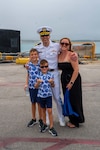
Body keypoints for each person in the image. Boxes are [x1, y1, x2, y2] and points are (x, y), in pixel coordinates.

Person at [34, 26, 65, 126]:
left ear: (49, 35)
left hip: (54, 73)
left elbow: (65, 51)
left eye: (46, 35)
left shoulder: (56, 46)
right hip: (43, 74)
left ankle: (61, 117)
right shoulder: (38, 48)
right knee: (45, 96)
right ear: (40, 37)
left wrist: (73, 55)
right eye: (42, 36)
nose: (45, 38)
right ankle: (47, 117)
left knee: (56, 97)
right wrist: (26, 64)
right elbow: (33, 58)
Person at [58, 37, 85, 128]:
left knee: (74, 99)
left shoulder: (72, 55)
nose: (64, 45)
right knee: (67, 99)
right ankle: (71, 118)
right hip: (64, 78)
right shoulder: (59, 55)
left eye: (66, 44)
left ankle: (76, 120)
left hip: (73, 79)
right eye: (62, 43)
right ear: (60, 44)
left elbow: (76, 69)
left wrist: (71, 82)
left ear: (69, 45)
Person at [35, 59, 58, 136]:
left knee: (50, 111)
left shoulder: (50, 75)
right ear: (40, 67)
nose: (44, 68)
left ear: (48, 67)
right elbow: (35, 86)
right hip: (41, 96)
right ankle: (44, 124)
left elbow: (53, 85)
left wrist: (52, 82)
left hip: (48, 95)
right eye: (42, 67)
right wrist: (38, 83)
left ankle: (51, 127)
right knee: (43, 110)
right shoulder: (38, 75)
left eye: (46, 66)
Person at [24, 48, 43, 128]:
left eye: (35, 54)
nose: (34, 56)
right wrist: (26, 84)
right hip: (31, 87)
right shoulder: (29, 65)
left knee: (39, 103)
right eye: (32, 54)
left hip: (39, 87)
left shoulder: (40, 64)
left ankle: (41, 119)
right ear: (30, 56)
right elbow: (28, 75)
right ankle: (33, 118)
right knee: (33, 103)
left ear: (38, 55)